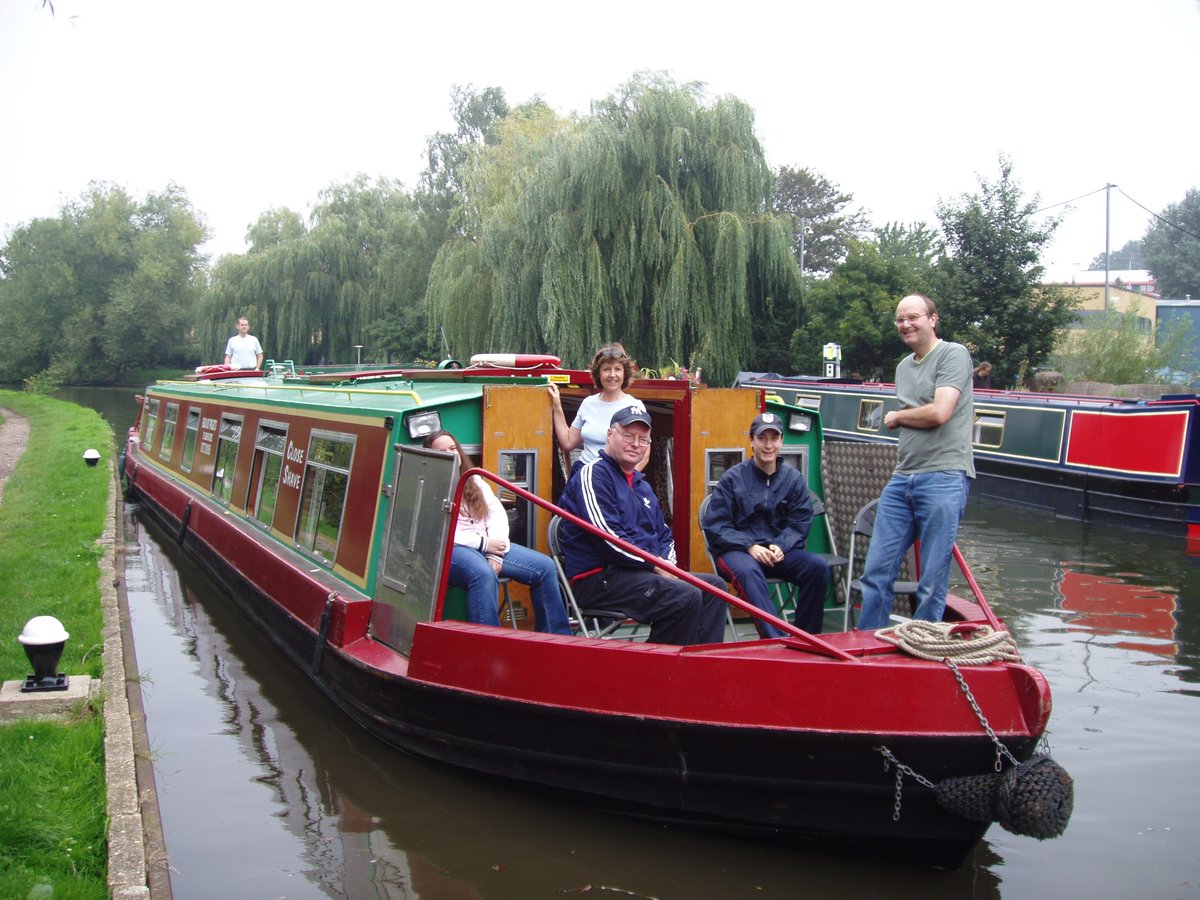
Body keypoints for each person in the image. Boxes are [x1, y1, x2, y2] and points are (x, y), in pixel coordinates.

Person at [558, 404, 728, 645]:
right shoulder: (592, 475)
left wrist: (669, 566)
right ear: (609, 435)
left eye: (643, 439)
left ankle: (701, 667)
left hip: (640, 573)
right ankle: (657, 672)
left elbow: (664, 536)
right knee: (684, 596)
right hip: (599, 578)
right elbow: (608, 538)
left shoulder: (642, 486)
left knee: (715, 588)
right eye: (628, 436)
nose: (635, 444)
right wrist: (655, 564)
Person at [855, 293, 975, 630]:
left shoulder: (953, 354)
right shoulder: (903, 367)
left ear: (932, 319)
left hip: (944, 476)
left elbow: (940, 412)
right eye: (900, 319)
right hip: (903, 478)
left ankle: (923, 648)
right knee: (876, 572)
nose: (905, 324)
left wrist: (898, 416)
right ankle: (869, 645)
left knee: (931, 580)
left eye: (913, 317)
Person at [424, 430, 572, 635]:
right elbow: (442, 532)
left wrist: (495, 550)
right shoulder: (428, 488)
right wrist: (485, 544)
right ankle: (489, 646)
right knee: (482, 573)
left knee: (545, 567)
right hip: (452, 550)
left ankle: (556, 639)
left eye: (453, 448)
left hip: (489, 546)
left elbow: (497, 515)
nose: (453, 454)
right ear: (431, 457)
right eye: (443, 451)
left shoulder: (473, 480)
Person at [702, 412, 830, 638]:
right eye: (762, 438)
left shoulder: (793, 479)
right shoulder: (732, 479)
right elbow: (717, 526)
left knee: (817, 567)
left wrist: (781, 545)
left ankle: (807, 640)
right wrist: (750, 546)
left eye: (774, 438)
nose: (768, 445)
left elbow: (800, 521)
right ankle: (777, 642)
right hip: (737, 551)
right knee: (749, 571)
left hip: (776, 551)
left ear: (782, 441)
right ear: (751, 441)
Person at [548, 342, 646, 477]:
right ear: (598, 374)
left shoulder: (635, 406)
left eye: (617, 369)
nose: (612, 375)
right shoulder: (588, 403)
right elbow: (568, 442)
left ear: (624, 373)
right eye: (606, 369)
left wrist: (626, 480)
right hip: (585, 475)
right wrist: (556, 405)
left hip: (618, 477)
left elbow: (644, 453)